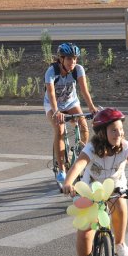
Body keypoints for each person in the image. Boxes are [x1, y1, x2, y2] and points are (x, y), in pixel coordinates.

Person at [62, 107, 128, 256]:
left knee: (120, 206)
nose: (119, 134)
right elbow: (79, 165)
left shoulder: (125, 146)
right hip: (91, 191)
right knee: (85, 231)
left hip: (115, 188)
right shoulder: (92, 148)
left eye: (120, 130)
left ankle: (119, 243)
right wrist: (69, 182)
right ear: (102, 133)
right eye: (113, 130)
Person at [44, 42, 98, 185]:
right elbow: (51, 94)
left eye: (74, 58)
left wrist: (92, 108)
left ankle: (81, 151)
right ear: (61, 59)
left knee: (84, 126)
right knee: (60, 129)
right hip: (53, 104)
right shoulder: (51, 71)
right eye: (69, 59)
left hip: (71, 102)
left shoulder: (78, 69)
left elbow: (84, 90)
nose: (72, 62)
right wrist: (56, 112)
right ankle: (61, 169)